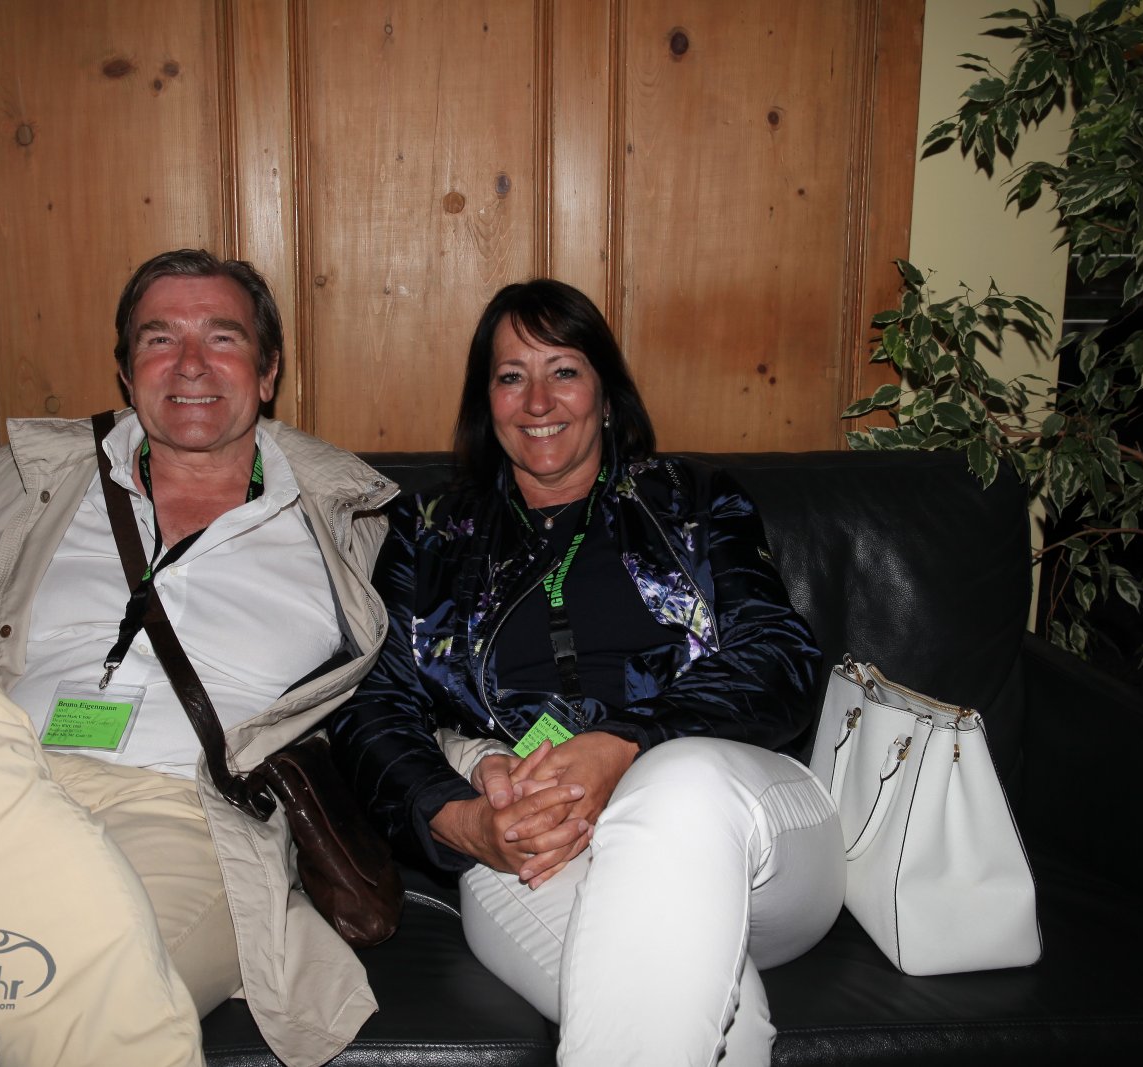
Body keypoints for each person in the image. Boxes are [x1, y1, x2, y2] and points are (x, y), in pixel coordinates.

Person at [0, 249, 398, 1066]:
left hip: (185, 818)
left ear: (268, 370)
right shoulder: (32, 478)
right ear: (127, 370)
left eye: (223, 337)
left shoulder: (345, 515)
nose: (191, 364)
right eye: (159, 338)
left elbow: (411, 696)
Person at [329, 278, 844, 1066]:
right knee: (712, 1019)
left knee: (678, 784)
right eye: (511, 376)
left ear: (606, 393)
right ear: (486, 401)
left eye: (563, 370)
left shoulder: (695, 502)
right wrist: (462, 819)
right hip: (532, 837)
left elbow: (780, 656)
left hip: (742, 832)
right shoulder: (429, 533)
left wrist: (626, 741)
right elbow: (372, 705)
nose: (538, 400)